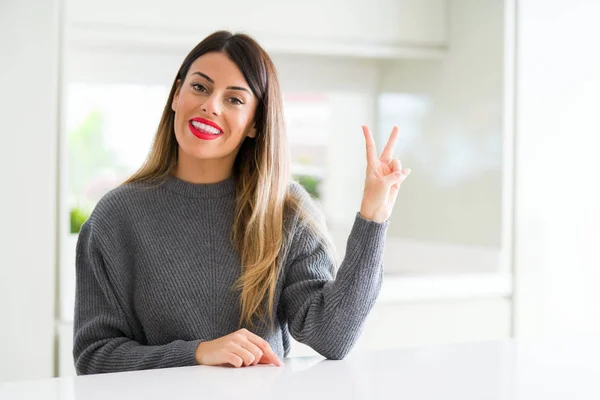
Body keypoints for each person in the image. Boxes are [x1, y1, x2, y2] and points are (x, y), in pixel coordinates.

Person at [73, 30, 411, 375]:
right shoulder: (116, 217)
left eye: (234, 99)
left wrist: (374, 214)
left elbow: (332, 338)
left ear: (254, 123)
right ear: (177, 94)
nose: (211, 105)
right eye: (200, 87)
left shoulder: (286, 210)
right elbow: (95, 356)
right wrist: (198, 353)